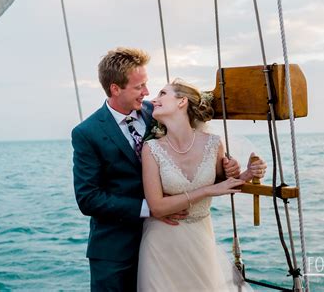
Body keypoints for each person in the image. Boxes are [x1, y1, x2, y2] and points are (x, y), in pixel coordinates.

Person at [72, 48, 242, 291]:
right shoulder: (86, 133)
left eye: (147, 84)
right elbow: (88, 198)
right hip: (116, 250)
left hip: (169, 243)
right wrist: (150, 209)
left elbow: (192, 142)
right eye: (139, 86)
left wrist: (226, 167)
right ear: (115, 89)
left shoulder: (159, 112)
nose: (147, 92)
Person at [137, 78, 267, 291]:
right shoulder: (151, 149)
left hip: (201, 240)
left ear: (182, 102)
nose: (154, 99)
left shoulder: (213, 143)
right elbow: (157, 207)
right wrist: (207, 190)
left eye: (162, 94)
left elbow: (221, 184)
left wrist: (248, 174)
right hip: (161, 245)